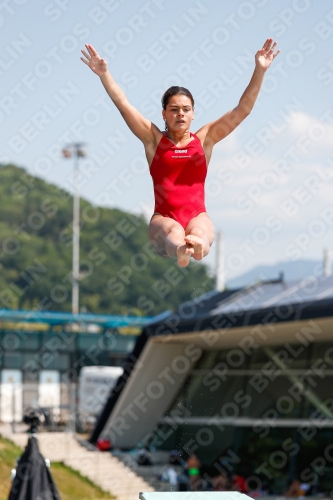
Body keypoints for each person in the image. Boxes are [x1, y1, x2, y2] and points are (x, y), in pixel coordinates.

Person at [81, 40, 280, 267]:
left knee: (202, 232)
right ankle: (182, 249)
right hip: (163, 218)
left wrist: (260, 70)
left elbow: (242, 109)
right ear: (164, 114)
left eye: (186, 110)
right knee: (173, 231)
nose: (180, 114)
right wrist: (104, 75)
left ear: (193, 114)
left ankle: (196, 247)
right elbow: (123, 103)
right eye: (174, 110)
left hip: (197, 214)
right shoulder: (152, 140)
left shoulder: (205, 139)